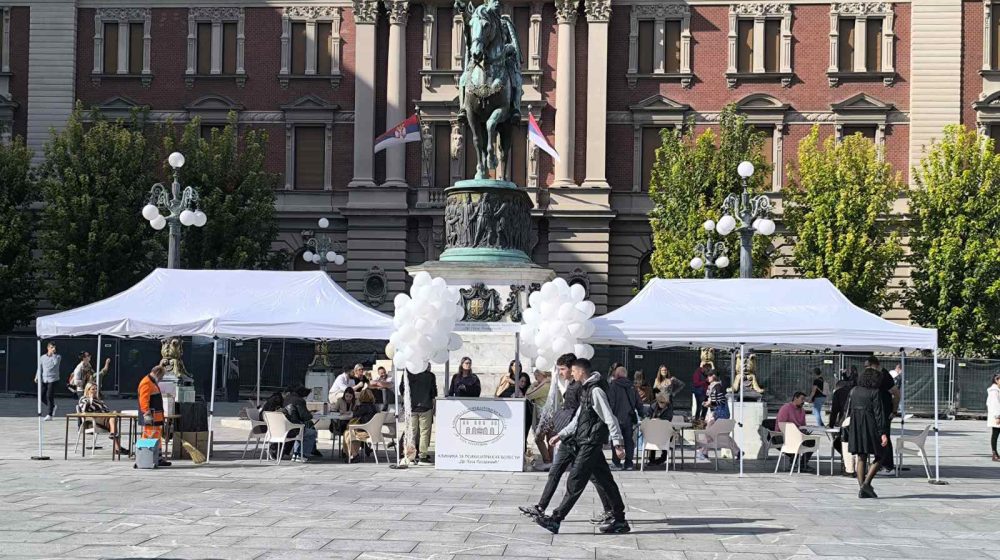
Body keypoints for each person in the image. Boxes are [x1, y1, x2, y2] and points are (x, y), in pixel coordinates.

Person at [534, 358, 630, 535]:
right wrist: (560, 435)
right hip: (586, 440)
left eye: (574, 371)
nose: (571, 374)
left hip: (590, 443)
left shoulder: (596, 391)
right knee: (606, 481)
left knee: (575, 480)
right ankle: (620, 519)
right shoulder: (586, 389)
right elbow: (579, 419)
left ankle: (555, 519)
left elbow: (610, 418)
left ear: (581, 371)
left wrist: (618, 443)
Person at [521, 353, 612, 522]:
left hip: (580, 439)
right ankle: (541, 506)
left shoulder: (583, 387)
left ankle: (611, 511)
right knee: (557, 472)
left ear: (573, 369)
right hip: (571, 437)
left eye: (563, 369)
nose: (560, 372)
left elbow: (583, 415)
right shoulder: (572, 384)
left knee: (594, 477)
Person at [846, 367, 890, 498]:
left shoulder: (853, 390)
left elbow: (848, 409)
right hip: (870, 424)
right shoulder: (875, 392)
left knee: (861, 456)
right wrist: (883, 433)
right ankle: (866, 484)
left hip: (856, 424)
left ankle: (862, 488)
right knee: (881, 453)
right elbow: (878, 414)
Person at [865, 356, 897, 475]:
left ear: (875, 365)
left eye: (869, 367)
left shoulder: (885, 376)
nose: (868, 370)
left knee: (884, 437)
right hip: (876, 411)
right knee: (878, 438)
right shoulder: (876, 375)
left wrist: (894, 411)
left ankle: (888, 466)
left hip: (885, 411)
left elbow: (896, 394)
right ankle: (880, 463)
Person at [607, 364, 642, 471]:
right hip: (629, 417)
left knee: (616, 439)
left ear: (616, 375)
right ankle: (629, 463)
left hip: (616, 417)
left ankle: (616, 462)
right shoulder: (632, 386)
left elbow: (611, 402)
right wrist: (641, 413)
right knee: (629, 441)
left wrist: (609, 415)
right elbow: (638, 403)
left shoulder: (613, 385)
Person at [399, 366, 438, 464]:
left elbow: (402, 389)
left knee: (411, 433)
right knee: (424, 432)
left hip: (411, 407)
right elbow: (433, 393)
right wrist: (434, 407)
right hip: (426, 406)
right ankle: (422, 456)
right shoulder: (430, 376)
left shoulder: (407, 374)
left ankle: (410, 456)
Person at [77, 382, 126, 455]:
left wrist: (112, 412)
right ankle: (117, 446)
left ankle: (114, 437)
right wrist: (90, 399)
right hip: (92, 421)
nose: (95, 391)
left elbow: (106, 410)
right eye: (93, 389)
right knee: (113, 419)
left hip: (103, 419)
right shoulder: (84, 399)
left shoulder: (98, 400)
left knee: (113, 418)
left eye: (96, 389)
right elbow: (83, 410)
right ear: (88, 390)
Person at [137, 365, 171, 467]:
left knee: (156, 437)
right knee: (149, 437)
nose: (161, 379)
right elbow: (144, 400)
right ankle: (147, 458)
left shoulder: (151, 382)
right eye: (161, 376)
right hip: (151, 416)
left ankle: (158, 458)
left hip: (156, 416)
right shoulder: (146, 382)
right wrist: (146, 413)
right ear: (157, 373)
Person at [775, 392, 817, 472]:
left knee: (812, 441)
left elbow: (803, 425)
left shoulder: (802, 411)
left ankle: (802, 464)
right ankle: (793, 464)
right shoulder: (786, 408)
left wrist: (806, 430)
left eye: (804, 399)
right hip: (782, 435)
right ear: (795, 398)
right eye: (802, 399)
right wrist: (795, 431)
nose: (803, 401)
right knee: (798, 442)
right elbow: (782, 424)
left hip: (797, 435)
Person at [282, 385, 319, 462]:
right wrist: (310, 414)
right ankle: (302, 454)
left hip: (284, 429)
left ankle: (295, 454)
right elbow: (305, 417)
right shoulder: (300, 401)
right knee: (312, 433)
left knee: (302, 432)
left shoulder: (287, 399)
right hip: (294, 429)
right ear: (303, 395)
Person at [344, 389, 379, 463]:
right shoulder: (375, 407)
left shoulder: (362, 407)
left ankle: (352, 455)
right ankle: (353, 455)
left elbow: (353, 415)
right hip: (375, 432)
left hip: (365, 432)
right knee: (351, 432)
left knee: (347, 433)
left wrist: (356, 407)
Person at [828, 378, 854, 476]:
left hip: (846, 422)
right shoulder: (855, 390)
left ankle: (847, 465)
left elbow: (834, 411)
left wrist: (831, 425)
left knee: (840, 443)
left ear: (838, 386)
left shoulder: (838, 393)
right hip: (859, 422)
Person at [525, 369, 552, 461]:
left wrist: (532, 385)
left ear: (541, 375)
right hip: (553, 415)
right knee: (550, 439)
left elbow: (528, 395)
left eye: (536, 377)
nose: (536, 379)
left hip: (544, 417)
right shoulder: (553, 384)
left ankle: (547, 460)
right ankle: (551, 461)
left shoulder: (544, 385)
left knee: (538, 439)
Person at [35, 342, 61, 421]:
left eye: (55, 348)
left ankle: (50, 415)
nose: (54, 349)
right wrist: (37, 376)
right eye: (52, 347)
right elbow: (40, 368)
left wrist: (53, 355)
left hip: (53, 379)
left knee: (49, 396)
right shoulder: (42, 357)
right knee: (41, 396)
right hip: (44, 379)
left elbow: (55, 364)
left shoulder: (58, 357)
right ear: (48, 348)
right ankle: (53, 406)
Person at [987, 374, 1000, 462]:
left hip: (997, 415)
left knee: (995, 435)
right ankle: (994, 454)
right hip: (997, 416)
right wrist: (997, 416)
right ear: (996, 380)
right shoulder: (994, 391)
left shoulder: (997, 390)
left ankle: (995, 454)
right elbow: (995, 405)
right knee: (995, 435)